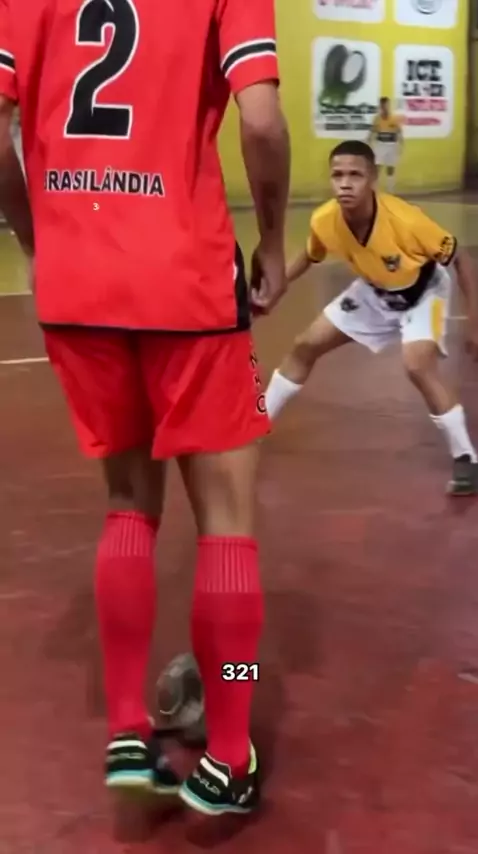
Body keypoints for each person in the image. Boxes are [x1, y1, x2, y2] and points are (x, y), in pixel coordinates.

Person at [0, 0, 290, 817]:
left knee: (128, 506)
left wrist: (35, 236)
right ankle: (227, 749)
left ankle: (128, 727)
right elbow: (261, 122)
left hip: (78, 284)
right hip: (184, 280)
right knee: (227, 521)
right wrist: (272, 241)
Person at [265, 140, 478, 496]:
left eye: (355, 175)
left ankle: (466, 458)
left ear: (373, 179)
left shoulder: (406, 220)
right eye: (337, 175)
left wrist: (474, 322)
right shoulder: (325, 219)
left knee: (417, 365)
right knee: (305, 346)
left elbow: (462, 260)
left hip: (423, 292)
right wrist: (276, 287)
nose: (345, 184)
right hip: (374, 291)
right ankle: (257, 423)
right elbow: (309, 255)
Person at [368, 97, 403, 193]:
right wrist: (369, 141)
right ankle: (374, 190)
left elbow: (399, 132)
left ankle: (390, 190)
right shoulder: (377, 119)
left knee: (391, 168)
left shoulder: (394, 118)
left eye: (387, 105)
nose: (385, 107)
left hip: (392, 145)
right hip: (380, 145)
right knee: (377, 167)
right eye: (383, 105)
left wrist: (401, 145)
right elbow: (372, 131)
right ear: (380, 106)